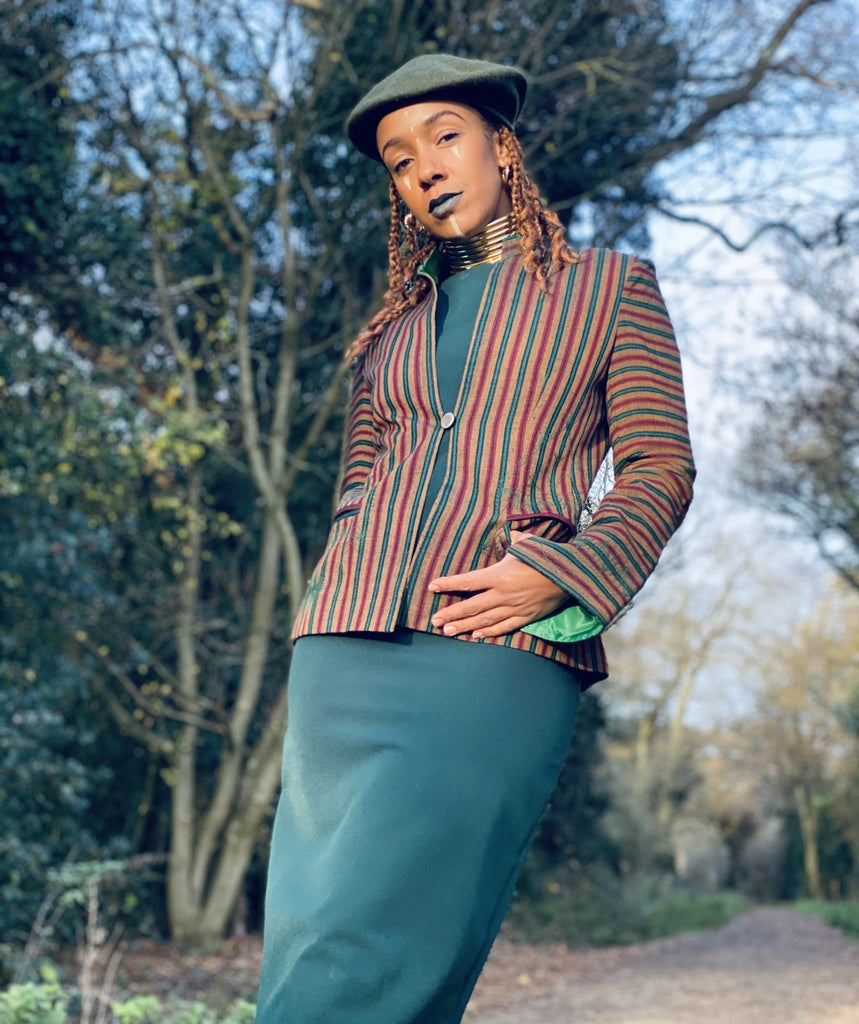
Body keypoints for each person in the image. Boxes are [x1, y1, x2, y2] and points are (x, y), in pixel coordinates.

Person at [255, 53, 695, 1024]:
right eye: (398, 159)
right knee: (309, 927)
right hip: (341, 649)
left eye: (443, 136)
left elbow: (660, 468)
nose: (423, 167)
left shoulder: (611, 289)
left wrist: (563, 575)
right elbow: (358, 484)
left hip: (491, 646)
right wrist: (333, 587)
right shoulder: (388, 333)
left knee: (395, 941)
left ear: (500, 145)